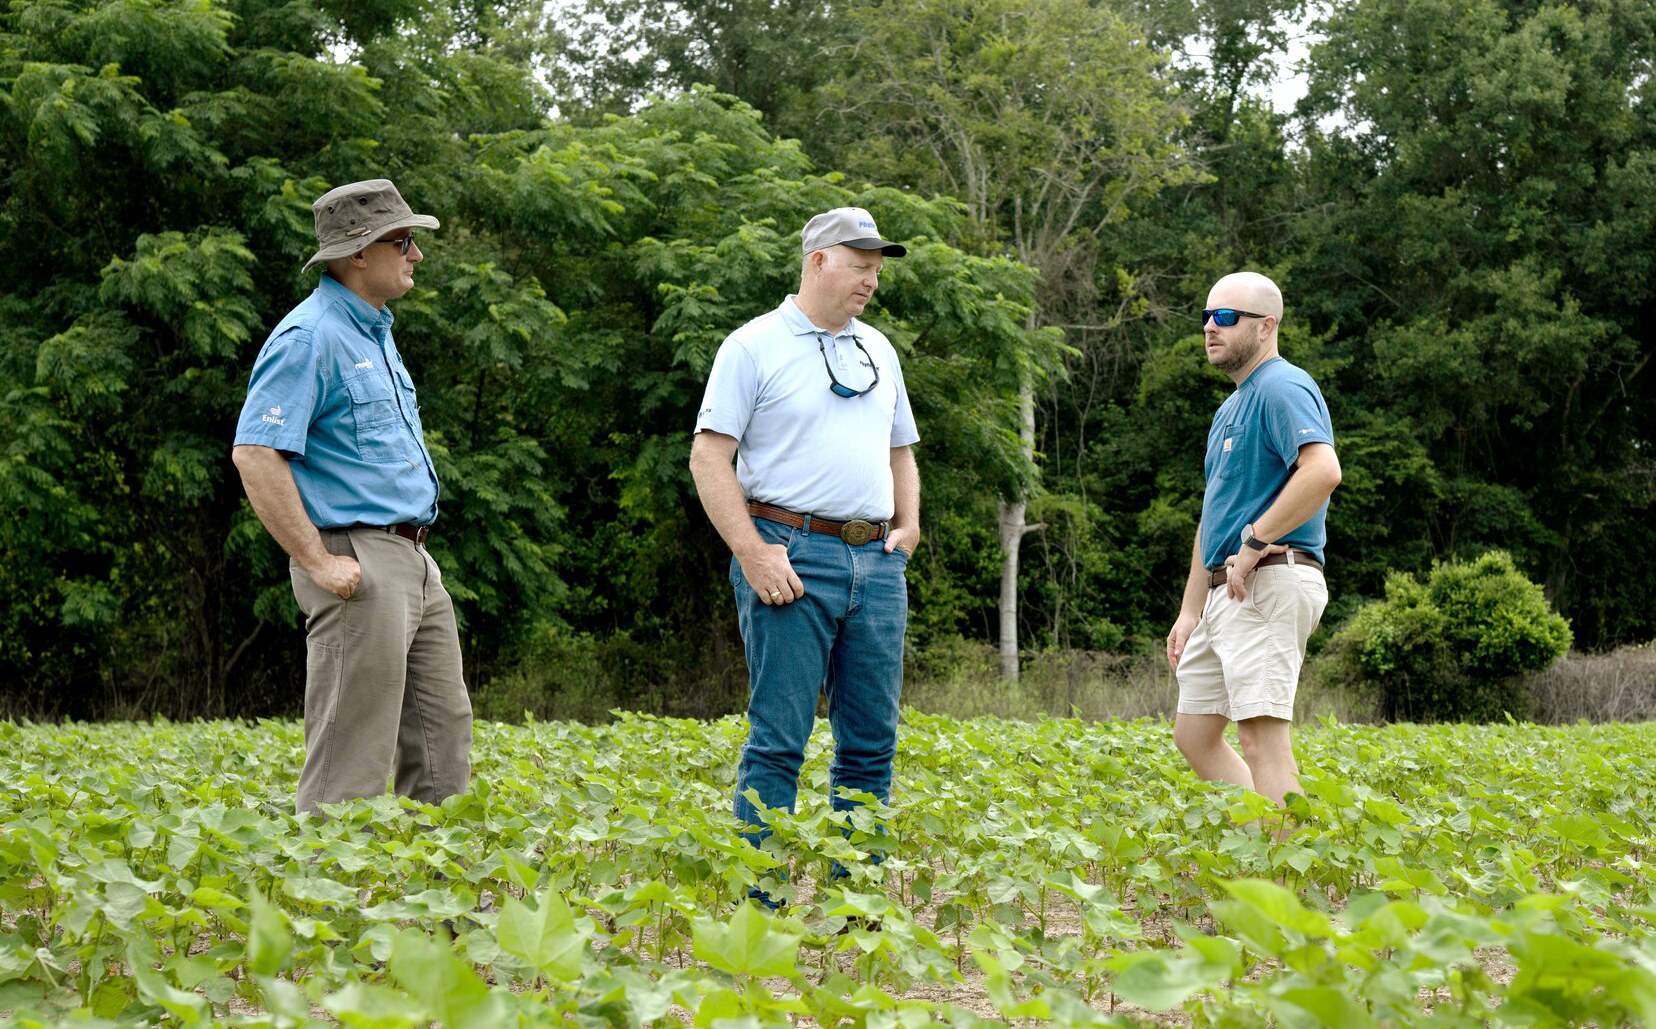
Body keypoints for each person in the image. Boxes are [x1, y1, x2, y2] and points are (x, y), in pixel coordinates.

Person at [689, 207, 920, 903]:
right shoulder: (752, 346)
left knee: (871, 743)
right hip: (789, 554)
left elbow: (900, 449)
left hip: (875, 564)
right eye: (860, 267)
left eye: (877, 270)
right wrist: (752, 552)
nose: (871, 282)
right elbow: (708, 457)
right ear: (819, 260)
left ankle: (859, 901)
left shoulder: (879, 348)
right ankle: (761, 905)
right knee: (779, 740)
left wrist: (907, 525)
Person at [231, 179, 471, 816]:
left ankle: (433, 906)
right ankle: (330, 908)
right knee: (351, 760)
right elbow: (256, 453)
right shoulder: (310, 336)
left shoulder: (375, 332)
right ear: (358, 253)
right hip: (357, 560)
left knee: (443, 740)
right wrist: (318, 561)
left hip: (414, 561)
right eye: (404, 241)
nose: (416, 255)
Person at [1165, 271, 1341, 806]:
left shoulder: (1283, 386)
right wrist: (1191, 609)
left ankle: (1282, 876)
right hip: (1225, 590)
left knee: (1262, 739)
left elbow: (1322, 471)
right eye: (1205, 317)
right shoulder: (1230, 408)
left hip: (1267, 579)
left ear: (1266, 327)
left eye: (1224, 317)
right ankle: (1263, 838)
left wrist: (1256, 540)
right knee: (1194, 736)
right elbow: (1213, 512)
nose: (1209, 328)